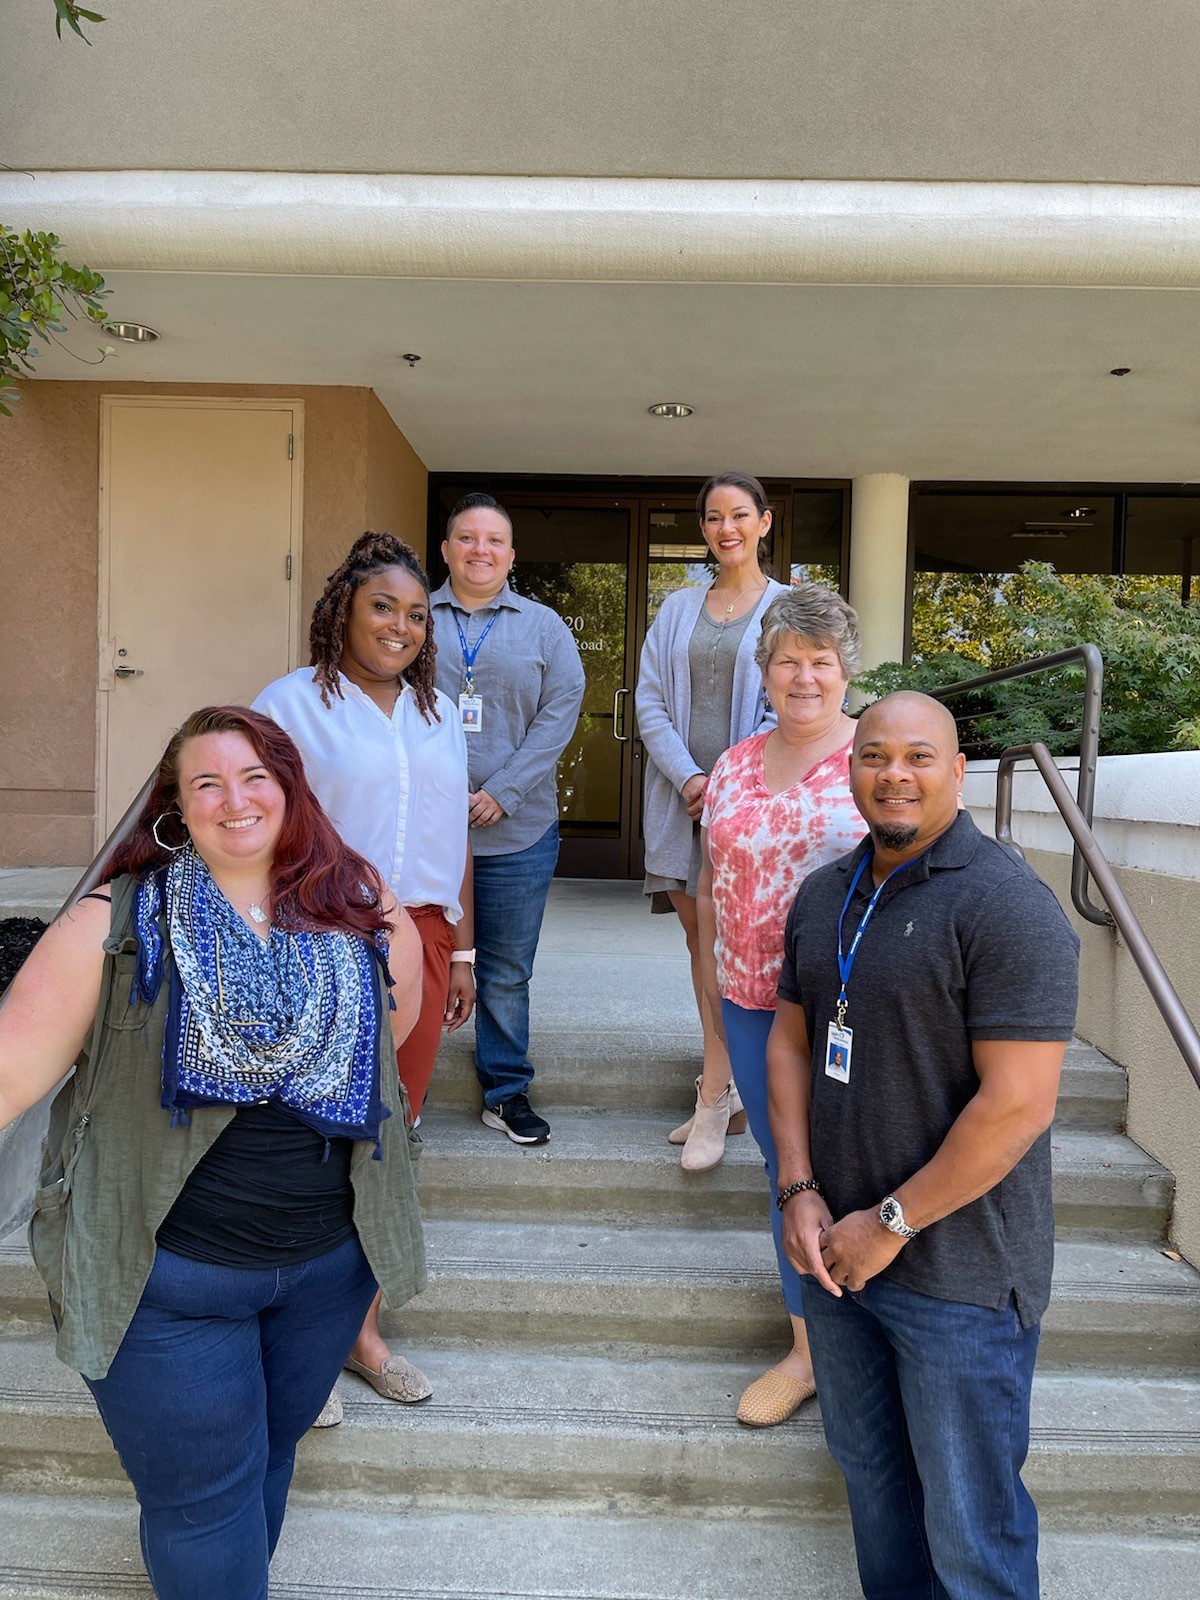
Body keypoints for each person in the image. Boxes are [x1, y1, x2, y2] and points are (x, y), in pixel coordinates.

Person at [1, 707, 425, 1600]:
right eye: (206, 783)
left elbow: (394, 1041)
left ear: (290, 789)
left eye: (255, 777)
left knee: (264, 1465)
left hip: (324, 1276)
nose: (235, 800)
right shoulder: (113, 928)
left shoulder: (363, 908)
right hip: (165, 1286)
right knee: (203, 1504)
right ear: (175, 810)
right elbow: (7, 1078)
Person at [768, 691, 1080, 1599]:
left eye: (918, 757)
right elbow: (790, 1040)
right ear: (850, 767)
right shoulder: (826, 892)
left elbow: (1019, 1104)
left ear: (958, 771)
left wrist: (891, 1223)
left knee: (972, 1537)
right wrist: (797, 1188)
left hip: (962, 1283)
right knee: (878, 1501)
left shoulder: (1006, 906)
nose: (893, 774)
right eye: (874, 756)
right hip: (837, 1265)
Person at [253, 531, 472, 1422]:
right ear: (343, 607)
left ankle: (360, 1332)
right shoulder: (289, 705)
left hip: (419, 938)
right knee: (310, 1139)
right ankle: (293, 1335)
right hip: (324, 935)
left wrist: (457, 947)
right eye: (384, 605)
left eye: (419, 614)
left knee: (389, 1141)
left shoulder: (435, 711)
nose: (403, 626)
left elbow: (457, 838)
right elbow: (254, 831)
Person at [695, 586, 867, 1426]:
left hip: (850, 1013)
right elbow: (710, 888)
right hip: (749, 1003)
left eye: (821, 661)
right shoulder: (732, 763)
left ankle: (871, 1336)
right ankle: (807, 1352)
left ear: (845, 674)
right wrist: (716, 1029)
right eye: (788, 659)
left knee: (862, 1169)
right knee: (786, 1172)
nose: (804, 676)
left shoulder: (876, 759)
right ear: (764, 671)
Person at [635, 471, 788, 1170]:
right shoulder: (676, 608)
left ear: (763, 522)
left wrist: (724, 782)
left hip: (749, 805)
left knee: (736, 955)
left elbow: (786, 704)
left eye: (739, 516)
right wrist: (690, 777)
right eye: (713, 518)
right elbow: (649, 703)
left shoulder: (789, 608)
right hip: (678, 799)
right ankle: (722, 1089)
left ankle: (718, 1096)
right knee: (704, 953)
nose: (726, 529)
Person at [430, 492, 585, 1145]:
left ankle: (505, 1090)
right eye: (467, 538)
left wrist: (505, 790)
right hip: (429, 830)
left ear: (511, 555)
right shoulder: (415, 618)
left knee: (504, 967)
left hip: (517, 830)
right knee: (414, 955)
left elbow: (562, 709)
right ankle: (394, 1086)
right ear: (446, 550)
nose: (480, 550)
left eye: (494, 540)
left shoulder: (543, 625)